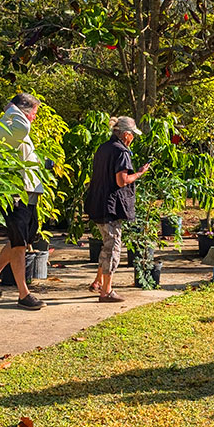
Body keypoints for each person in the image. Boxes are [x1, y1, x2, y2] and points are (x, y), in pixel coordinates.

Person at [0, 93, 48, 311]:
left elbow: (22, 152)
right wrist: (13, 109)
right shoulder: (9, 123)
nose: (34, 119)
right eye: (33, 113)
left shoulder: (13, 125)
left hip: (28, 191)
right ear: (22, 110)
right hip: (15, 192)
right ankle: (23, 294)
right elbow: (22, 130)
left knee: (24, 238)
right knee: (19, 243)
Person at [85, 117, 150, 303]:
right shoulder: (122, 152)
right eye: (132, 136)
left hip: (97, 202)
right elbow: (121, 181)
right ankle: (106, 291)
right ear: (126, 135)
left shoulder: (103, 148)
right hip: (111, 206)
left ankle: (98, 282)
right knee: (113, 247)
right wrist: (138, 173)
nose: (133, 140)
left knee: (107, 243)